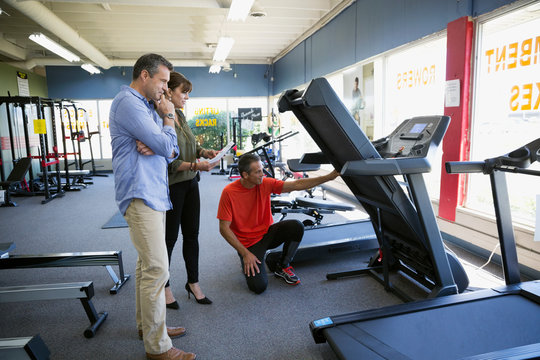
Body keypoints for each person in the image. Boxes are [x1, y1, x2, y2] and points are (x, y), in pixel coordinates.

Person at [110, 53, 196, 360]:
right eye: (162, 81)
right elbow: (167, 147)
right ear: (144, 76)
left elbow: (166, 150)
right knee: (157, 268)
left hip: (154, 193)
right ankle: (158, 348)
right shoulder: (130, 103)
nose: (165, 88)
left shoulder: (146, 105)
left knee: (146, 266)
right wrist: (168, 119)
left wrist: (161, 140)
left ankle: (148, 327)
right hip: (140, 194)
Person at [217, 153, 339, 294]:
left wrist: (329, 177)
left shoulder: (265, 183)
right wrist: (245, 254)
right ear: (245, 175)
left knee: (296, 227)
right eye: (258, 172)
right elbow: (224, 228)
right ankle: (247, 258)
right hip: (248, 244)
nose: (263, 174)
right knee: (258, 287)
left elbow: (296, 184)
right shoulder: (229, 192)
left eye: (262, 169)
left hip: (267, 234)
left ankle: (283, 266)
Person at [163, 72, 218, 309]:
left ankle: (193, 283)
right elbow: (169, 161)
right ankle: (164, 286)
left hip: (191, 183)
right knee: (169, 239)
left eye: (187, 93)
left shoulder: (181, 115)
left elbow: (191, 145)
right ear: (168, 91)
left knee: (192, 235)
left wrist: (205, 152)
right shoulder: (161, 117)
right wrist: (197, 165)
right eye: (183, 92)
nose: (186, 97)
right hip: (173, 185)